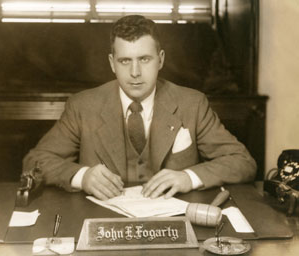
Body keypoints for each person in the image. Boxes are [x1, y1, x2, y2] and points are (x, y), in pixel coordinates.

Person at [23, 15, 256, 200]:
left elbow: (243, 162)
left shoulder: (192, 104)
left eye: (144, 59)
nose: (135, 72)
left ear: (161, 59)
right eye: (125, 61)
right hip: (102, 223)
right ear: (112, 63)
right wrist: (82, 177)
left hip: (175, 225)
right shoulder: (82, 106)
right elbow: (34, 161)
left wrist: (189, 177)